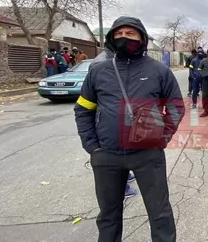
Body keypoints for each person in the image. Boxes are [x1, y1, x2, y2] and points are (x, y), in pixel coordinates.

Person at [74, 16, 185, 242]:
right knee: (108, 216)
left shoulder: (159, 71)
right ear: (111, 39)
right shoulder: (98, 71)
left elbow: (175, 107)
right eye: (119, 34)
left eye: (130, 34)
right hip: (107, 155)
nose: (124, 38)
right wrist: (92, 146)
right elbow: (83, 109)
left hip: (147, 155)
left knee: (160, 214)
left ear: (142, 38)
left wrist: (162, 138)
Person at [87, 47, 138, 199]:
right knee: (112, 151)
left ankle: (125, 173)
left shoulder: (119, 57)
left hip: (121, 114)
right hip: (107, 118)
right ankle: (121, 187)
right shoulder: (102, 63)